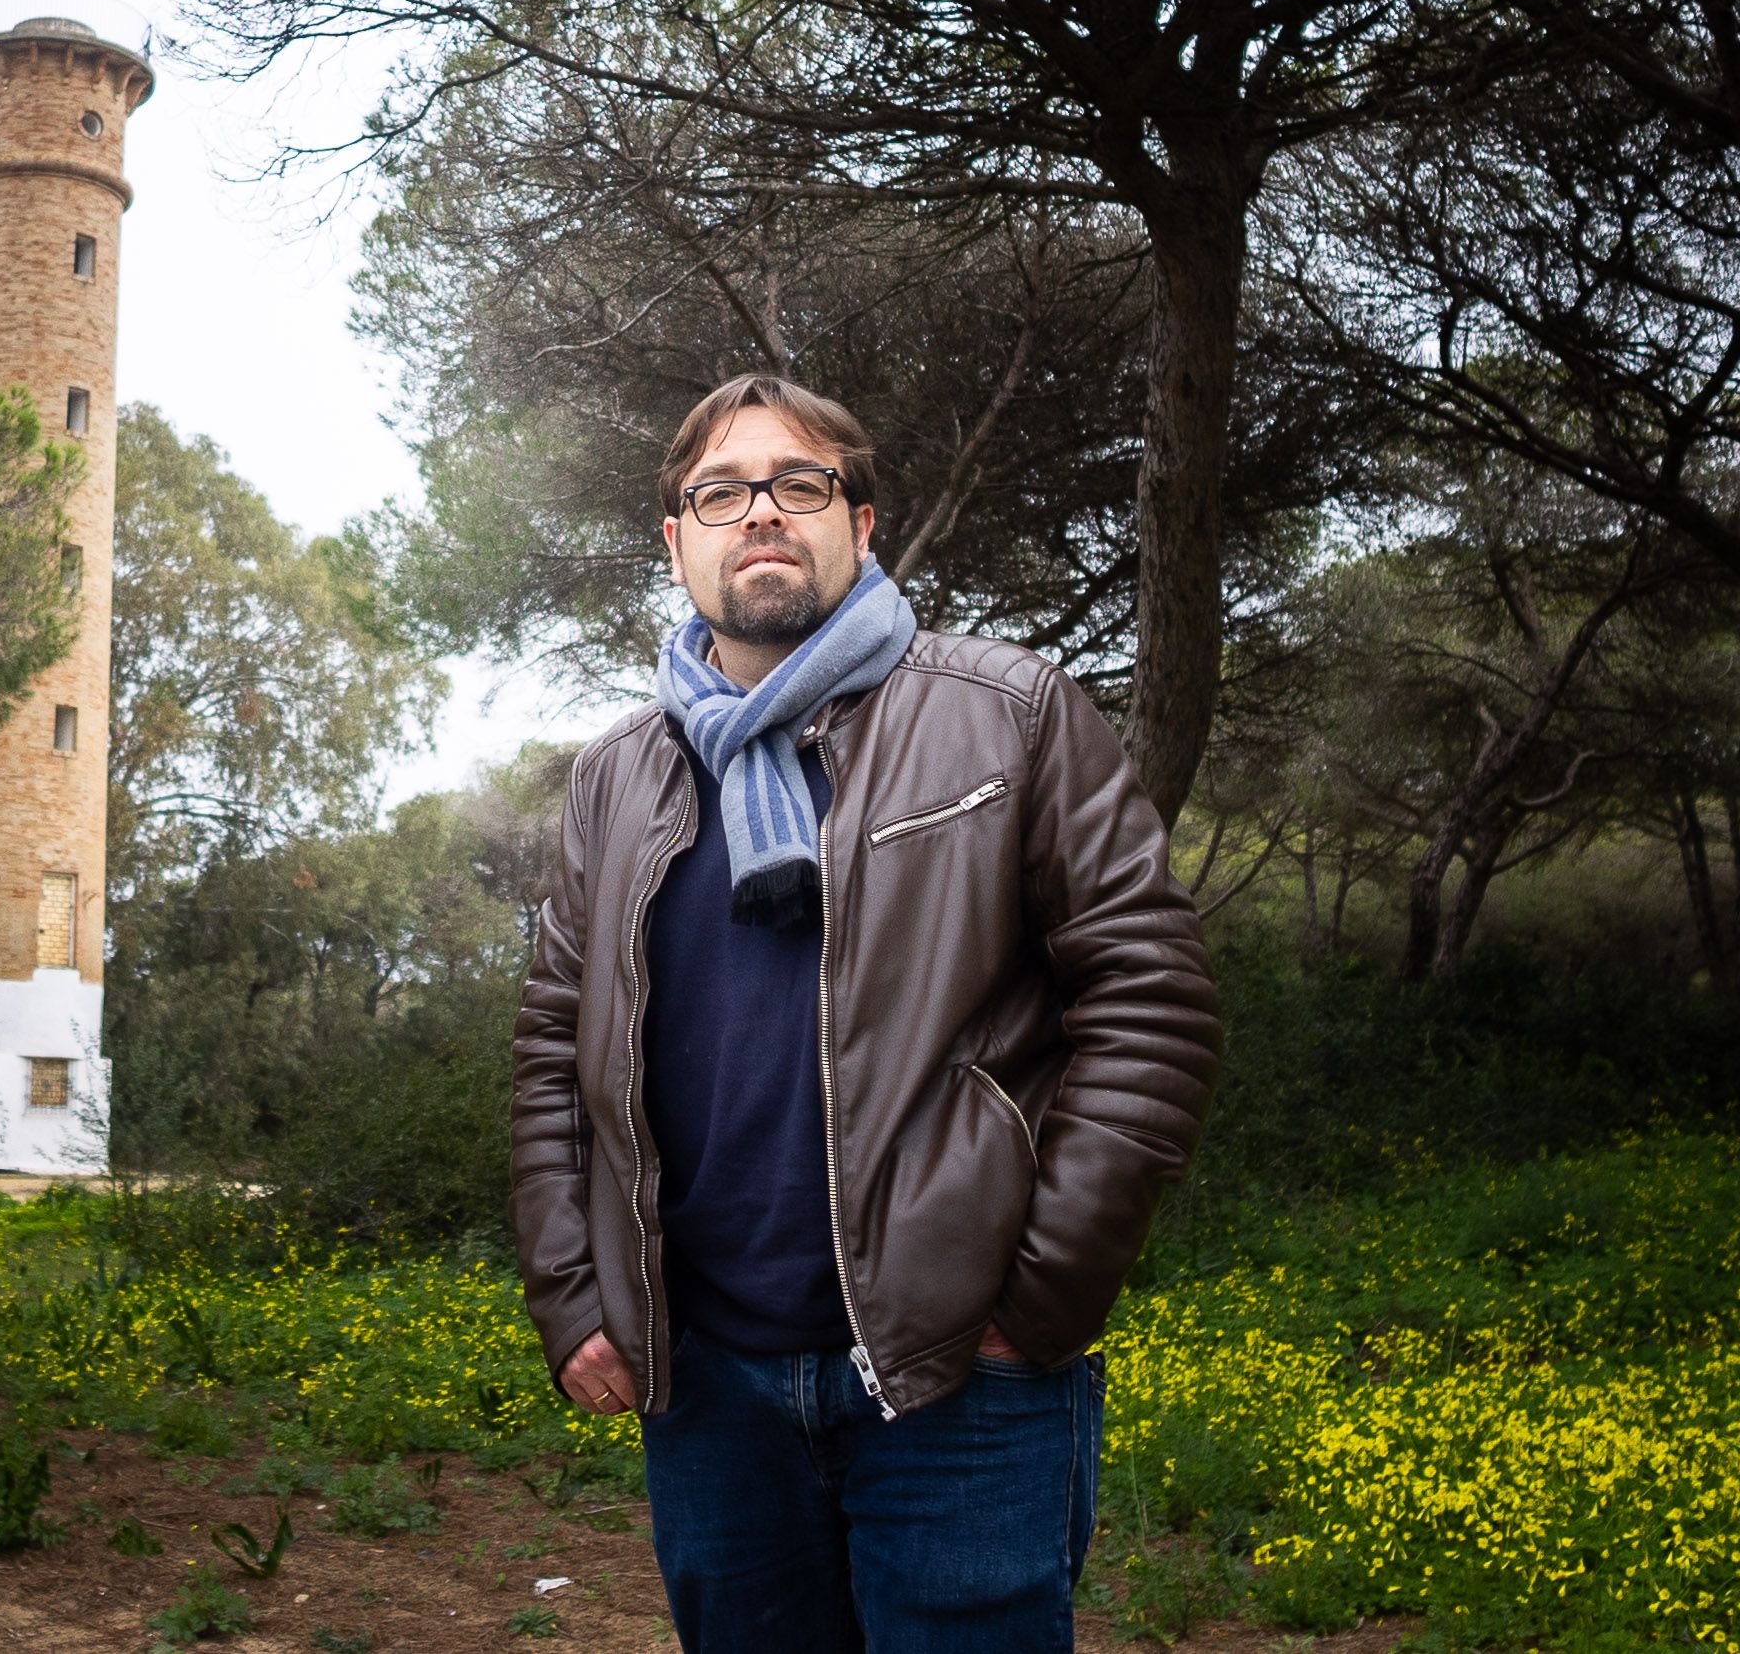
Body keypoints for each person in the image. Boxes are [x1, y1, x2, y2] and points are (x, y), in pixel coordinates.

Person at [509, 374, 1221, 1653]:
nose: (761, 514)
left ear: (863, 523)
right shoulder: (618, 777)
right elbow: (557, 1058)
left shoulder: (1009, 713)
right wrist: (572, 1293)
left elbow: (1150, 998)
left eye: (800, 485)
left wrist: (1039, 1299)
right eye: (720, 494)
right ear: (676, 541)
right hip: (710, 1388)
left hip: (960, 1377)